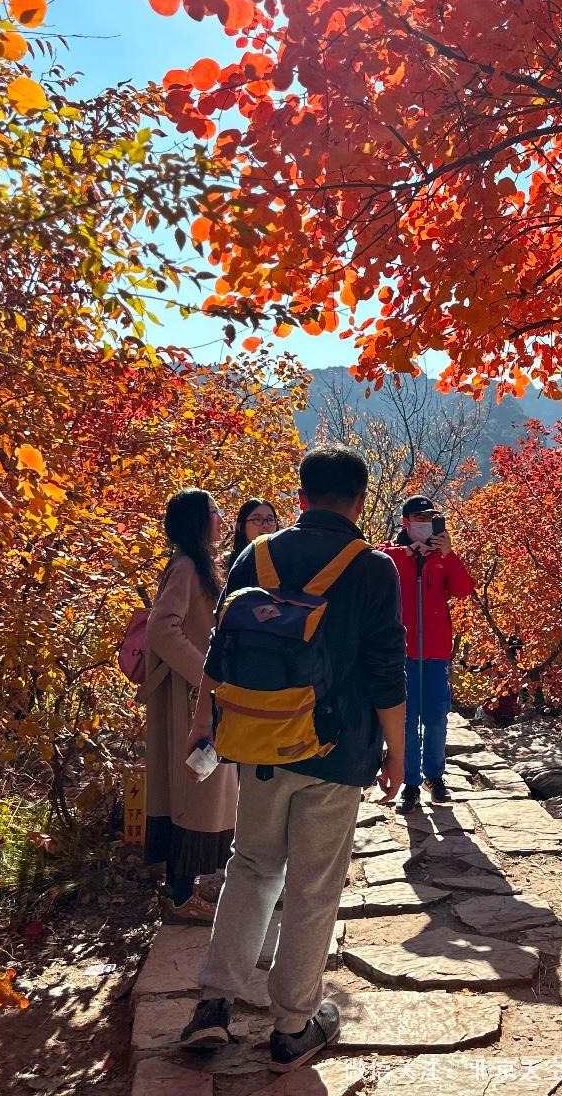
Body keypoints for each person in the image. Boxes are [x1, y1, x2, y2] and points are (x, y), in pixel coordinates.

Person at [178, 447, 406, 1072]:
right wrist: (396, 754)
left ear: (300, 497)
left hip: (258, 743)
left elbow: (221, 645)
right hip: (337, 750)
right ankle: (292, 1026)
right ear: (360, 501)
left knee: (251, 866)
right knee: (312, 886)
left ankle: (214, 1006)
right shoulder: (373, 568)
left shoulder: (258, 554)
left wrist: (204, 721)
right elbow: (387, 671)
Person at [143, 488, 239, 922]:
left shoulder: (197, 564)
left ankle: (184, 891)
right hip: (189, 700)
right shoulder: (185, 566)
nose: (221, 517)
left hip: (199, 696)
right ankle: (179, 897)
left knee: (200, 789)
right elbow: (162, 629)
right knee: (192, 792)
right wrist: (206, 674)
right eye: (215, 511)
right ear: (199, 520)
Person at [380, 495, 474, 811]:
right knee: (407, 720)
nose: (425, 523)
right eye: (419, 518)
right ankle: (410, 782)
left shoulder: (441, 557)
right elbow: (374, 560)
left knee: (436, 718)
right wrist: (405, 553)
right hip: (403, 653)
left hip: (435, 652)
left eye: (430, 518)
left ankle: (435, 776)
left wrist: (449, 555)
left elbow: (463, 590)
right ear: (405, 522)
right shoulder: (391, 555)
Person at [224, 498, 281, 571]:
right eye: (257, 519)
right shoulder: (225, 564)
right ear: (240, 527)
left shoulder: (287, 560)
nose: (266, 525)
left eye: (270, 519)